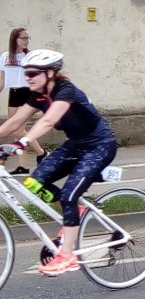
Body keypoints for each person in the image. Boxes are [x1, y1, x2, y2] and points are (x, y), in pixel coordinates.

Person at [0, 49, 117, 276]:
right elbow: (15, 121)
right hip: (75, 145)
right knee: (34, 182)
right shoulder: (38, 95)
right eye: (26, 72)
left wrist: (22, 142)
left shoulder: (66, 91)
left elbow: (49, 120)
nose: (28, 77)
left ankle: (67, 255)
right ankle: (78, 211)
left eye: (33, 72)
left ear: (51, 73)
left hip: (100, 145)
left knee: (68, 195)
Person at [0, 28, 48, 174]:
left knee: (18, 129)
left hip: (27, 92)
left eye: (28, 38)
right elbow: (2, 78)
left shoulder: (30, 57)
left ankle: (41, 153)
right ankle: (23, 166)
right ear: (15, 39)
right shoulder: (5, 56)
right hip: (13, 92)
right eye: (23, 38)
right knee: (17, 132)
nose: (26, 41)